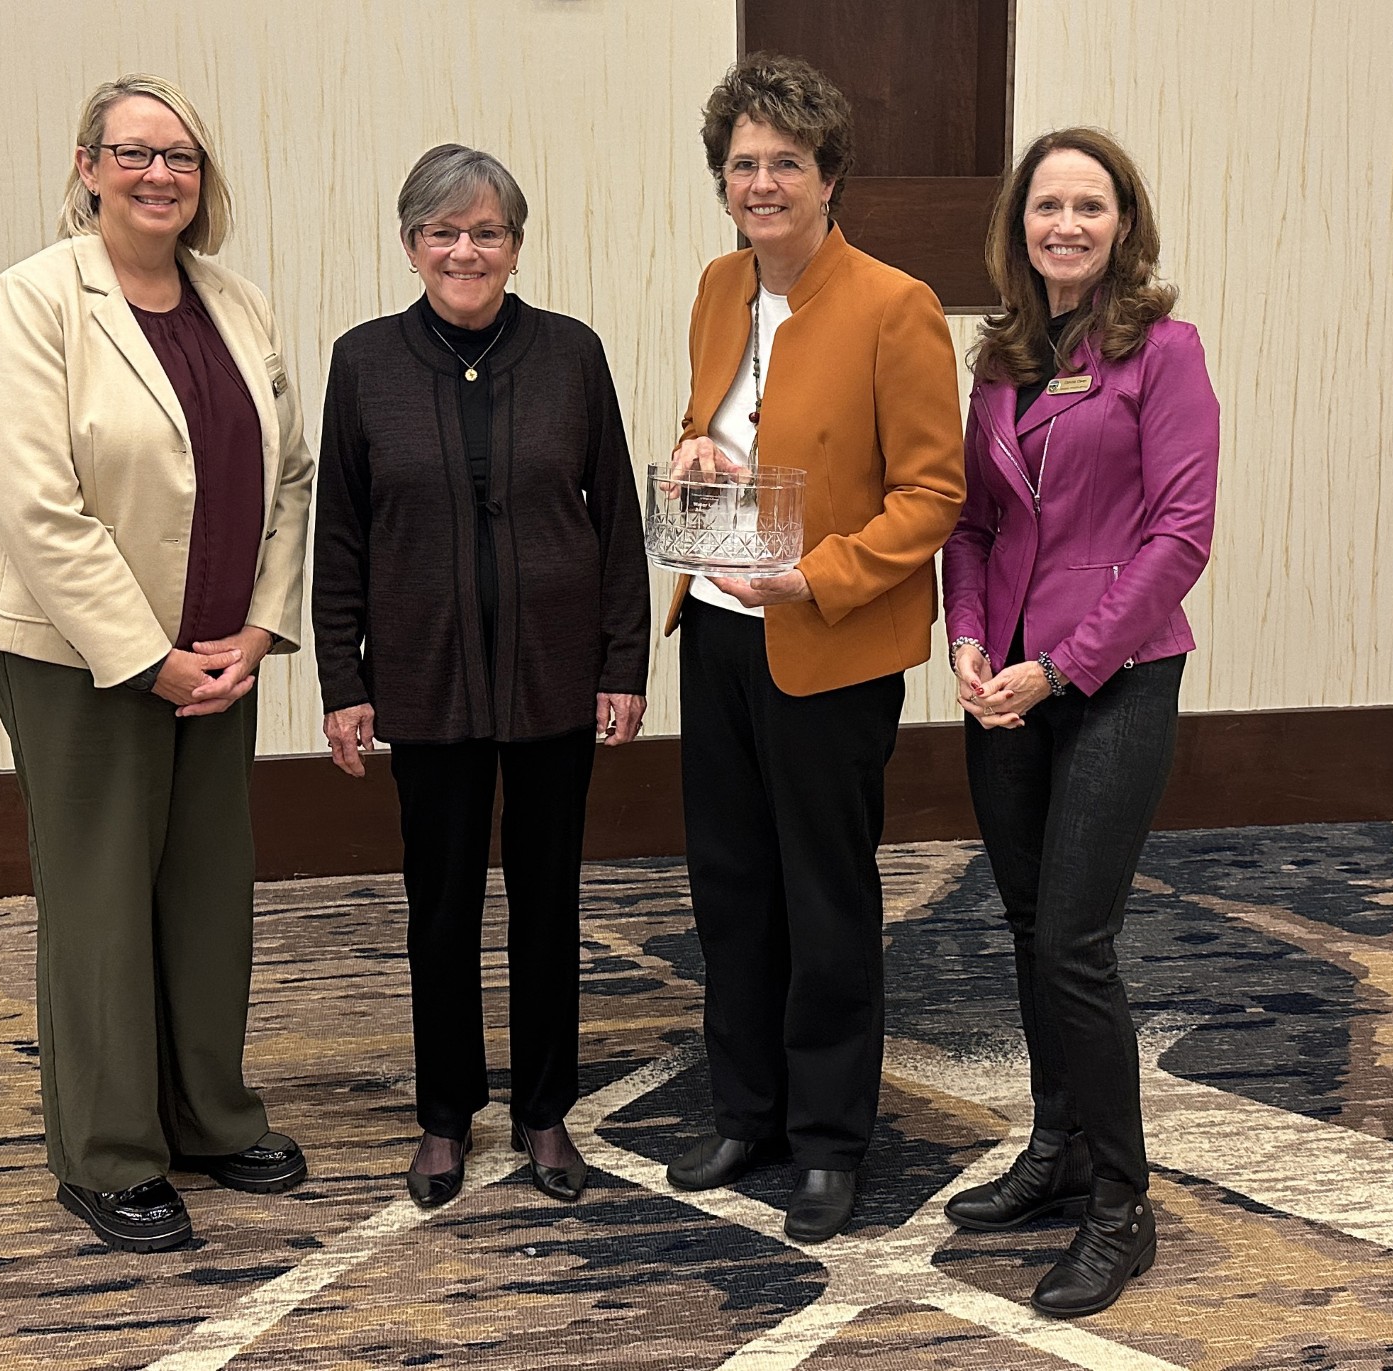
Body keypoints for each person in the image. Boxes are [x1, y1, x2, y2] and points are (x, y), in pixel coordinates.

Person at [0, 74, 315, 1252]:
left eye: (182, 158)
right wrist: (148, 659)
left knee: (209, 895)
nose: (160, 174)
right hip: (80, 661)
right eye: (134, 153)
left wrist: (259, 631)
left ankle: (210, 1117)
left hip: (222, 658)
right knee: (103, 902)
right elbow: (37, 505)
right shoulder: (32, 302)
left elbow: (291, 479)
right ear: (87, 167)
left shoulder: (238, 303)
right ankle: (108, 1153)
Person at [660, 54, 965, 1244]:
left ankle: (832, 1139)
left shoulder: (896, 305)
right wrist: (693, 453)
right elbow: (711, 423)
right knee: (730, 888)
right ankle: (751, 1111)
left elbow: (930, 494)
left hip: (829, 644)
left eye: (787, 162)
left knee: (824, 898)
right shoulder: (715, 286)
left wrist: (815, 577)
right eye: (744, 164)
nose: (763, 182)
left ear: (831, 175)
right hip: (720, 634)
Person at [313, 144, 649, 1210]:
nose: (465, 249)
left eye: (487, 231)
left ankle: (546, 1112)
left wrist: (624, 661)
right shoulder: (364, 362)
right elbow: (342, 537)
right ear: (410, 244)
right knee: (442, 908)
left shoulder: (570, 354)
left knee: (550, 906)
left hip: (555, 679)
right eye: (442, 231)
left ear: (515, 244)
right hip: (424, 681)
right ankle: (445, 1116)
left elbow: (616, 522)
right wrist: (342, 678)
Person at [939, 127, 1221, 1316]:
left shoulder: (1165, 352)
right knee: (1022, 925)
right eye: (1047, 206)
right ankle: (1056, 1149)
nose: (1066, 225)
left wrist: (1059, 666)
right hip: (1001, 685)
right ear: (1019, 227)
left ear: (1122, 225)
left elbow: (1179, 537)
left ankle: (1121, 1205)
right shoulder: (999, 360)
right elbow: (971, 524)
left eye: (1089, 207)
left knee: (1074, 942)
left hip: (1113, 678)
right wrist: (966, 637)